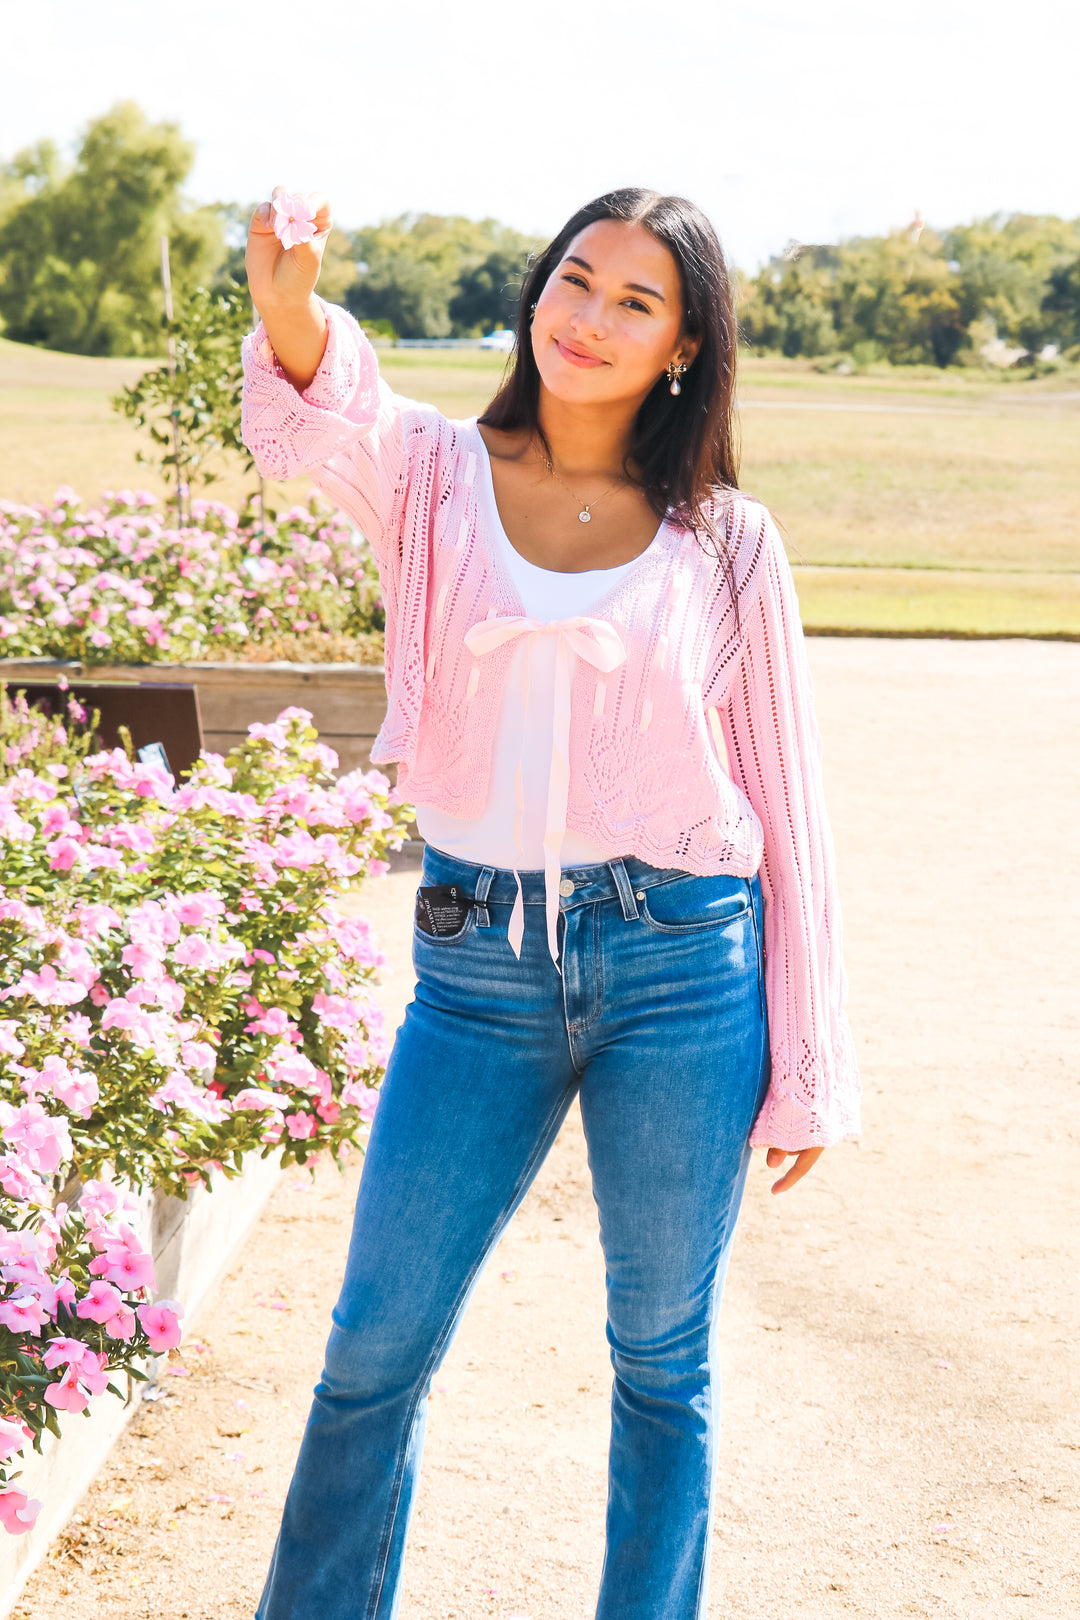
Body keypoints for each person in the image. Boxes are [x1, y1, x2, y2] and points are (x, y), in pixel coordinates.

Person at [241, 184, 860, 1620]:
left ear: (685, 348)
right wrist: (291, 309)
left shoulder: (728, 541)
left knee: (664, 1358)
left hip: (682, 968)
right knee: (370, 1348)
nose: (586, 319)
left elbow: (791, 808)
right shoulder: (435, 475)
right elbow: (331, 413)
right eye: (574, 281)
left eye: (635, 302)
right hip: (473, 972)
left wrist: (812, 1061)